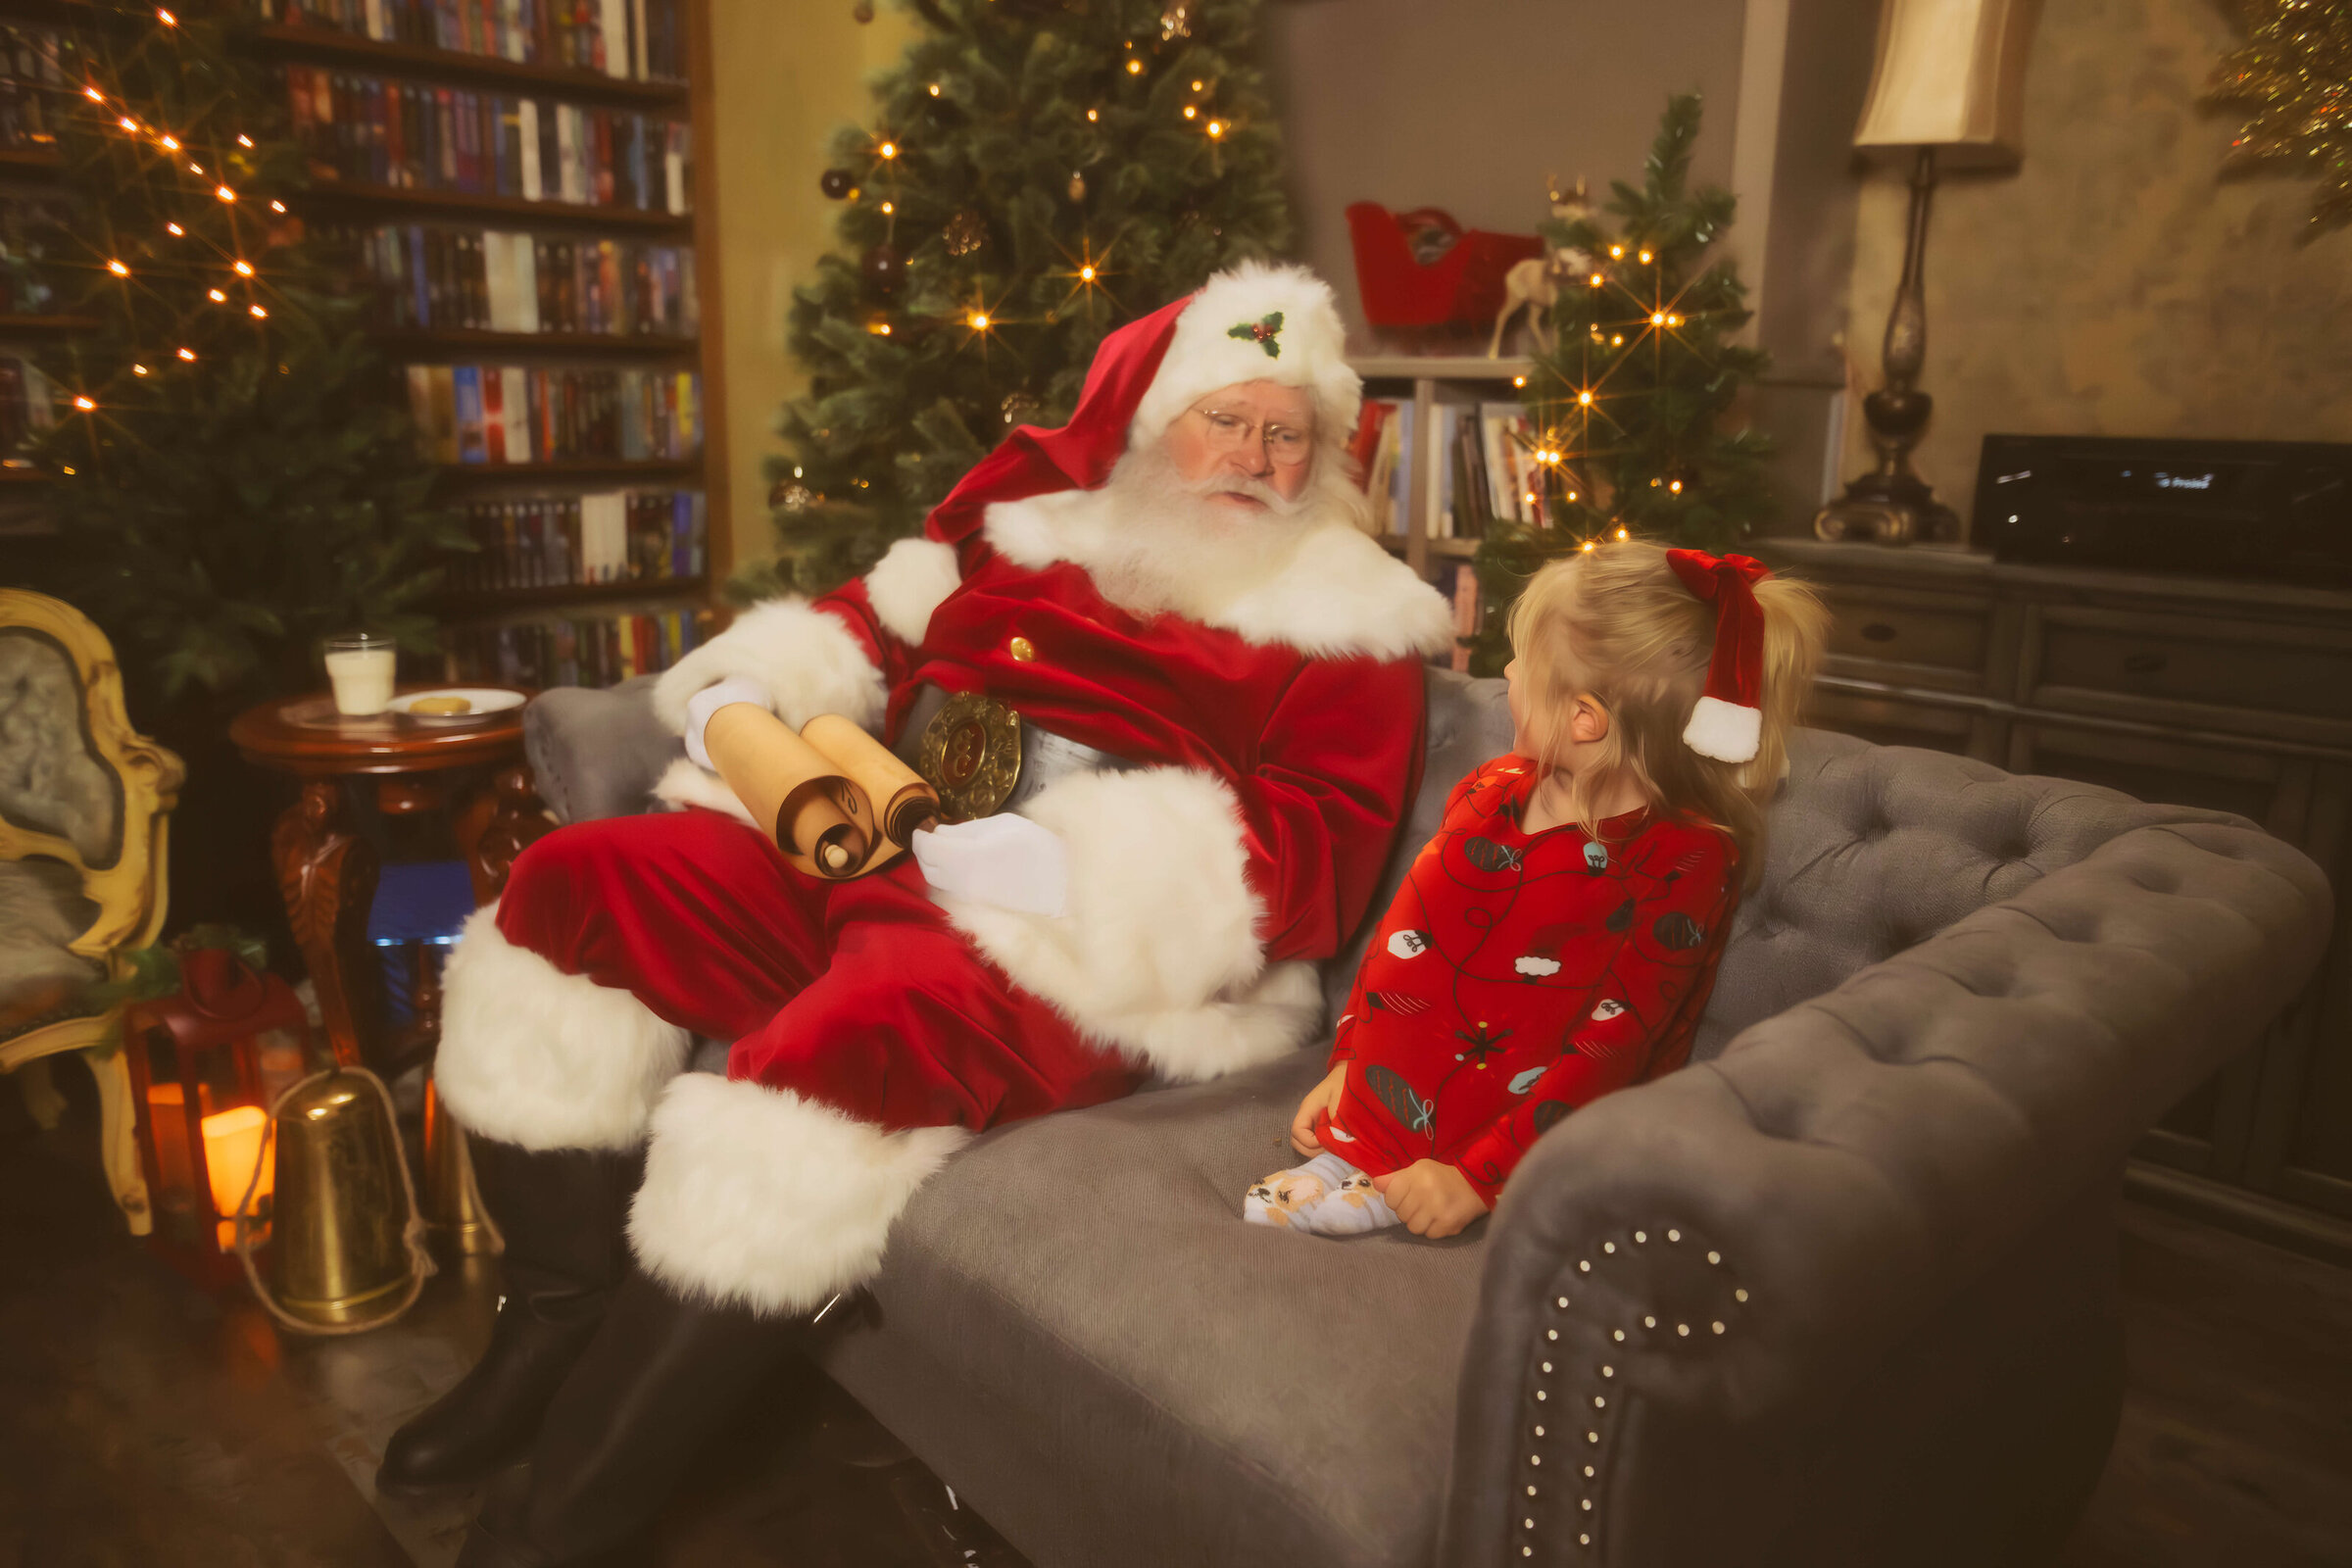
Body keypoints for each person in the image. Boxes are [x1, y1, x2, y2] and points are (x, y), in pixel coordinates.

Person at [384, 262, 1455, 1566]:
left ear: (1324, 460)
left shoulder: (1355, 624)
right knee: (569, 889)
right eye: (1225, 418)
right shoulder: (1033, 523)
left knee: (843, 1050)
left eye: (1289, 436)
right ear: (1152, 424)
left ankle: (561, 1518)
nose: (1253, 456)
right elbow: (858, 625)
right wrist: (745, 695)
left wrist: (1057, 872)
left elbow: (1315, 851)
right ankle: (555, 1315)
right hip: (871, 839)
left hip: (1075, 944)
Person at [1244, 542, 1826, 1240]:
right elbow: (1402, 948)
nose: (1508, 673)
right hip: (1399, 1092)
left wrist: (1474, 1179)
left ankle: (1398, 1174)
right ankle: (1359, 1152)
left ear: (1584, 718)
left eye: (1524, 665)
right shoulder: (1491, 790)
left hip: (1524, 1136)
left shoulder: (1685, 859)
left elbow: (1611, 1049)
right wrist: (1349, 1069)